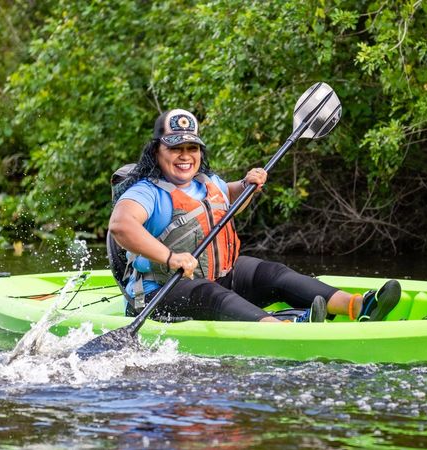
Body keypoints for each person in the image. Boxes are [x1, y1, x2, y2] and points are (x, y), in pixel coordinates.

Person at [108, 108, 401, 323]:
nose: (185, 156)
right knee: (212, 294)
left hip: (215, 278)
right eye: (175, 148)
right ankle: (282, 328)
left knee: (271, 273)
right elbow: (121, 226)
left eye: (192, 147)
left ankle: (358, 306)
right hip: (160, 293)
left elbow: (226, 200)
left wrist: (247, 186)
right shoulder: (147, 191)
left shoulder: (207, 182)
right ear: (157, 152)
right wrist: (172, 258)